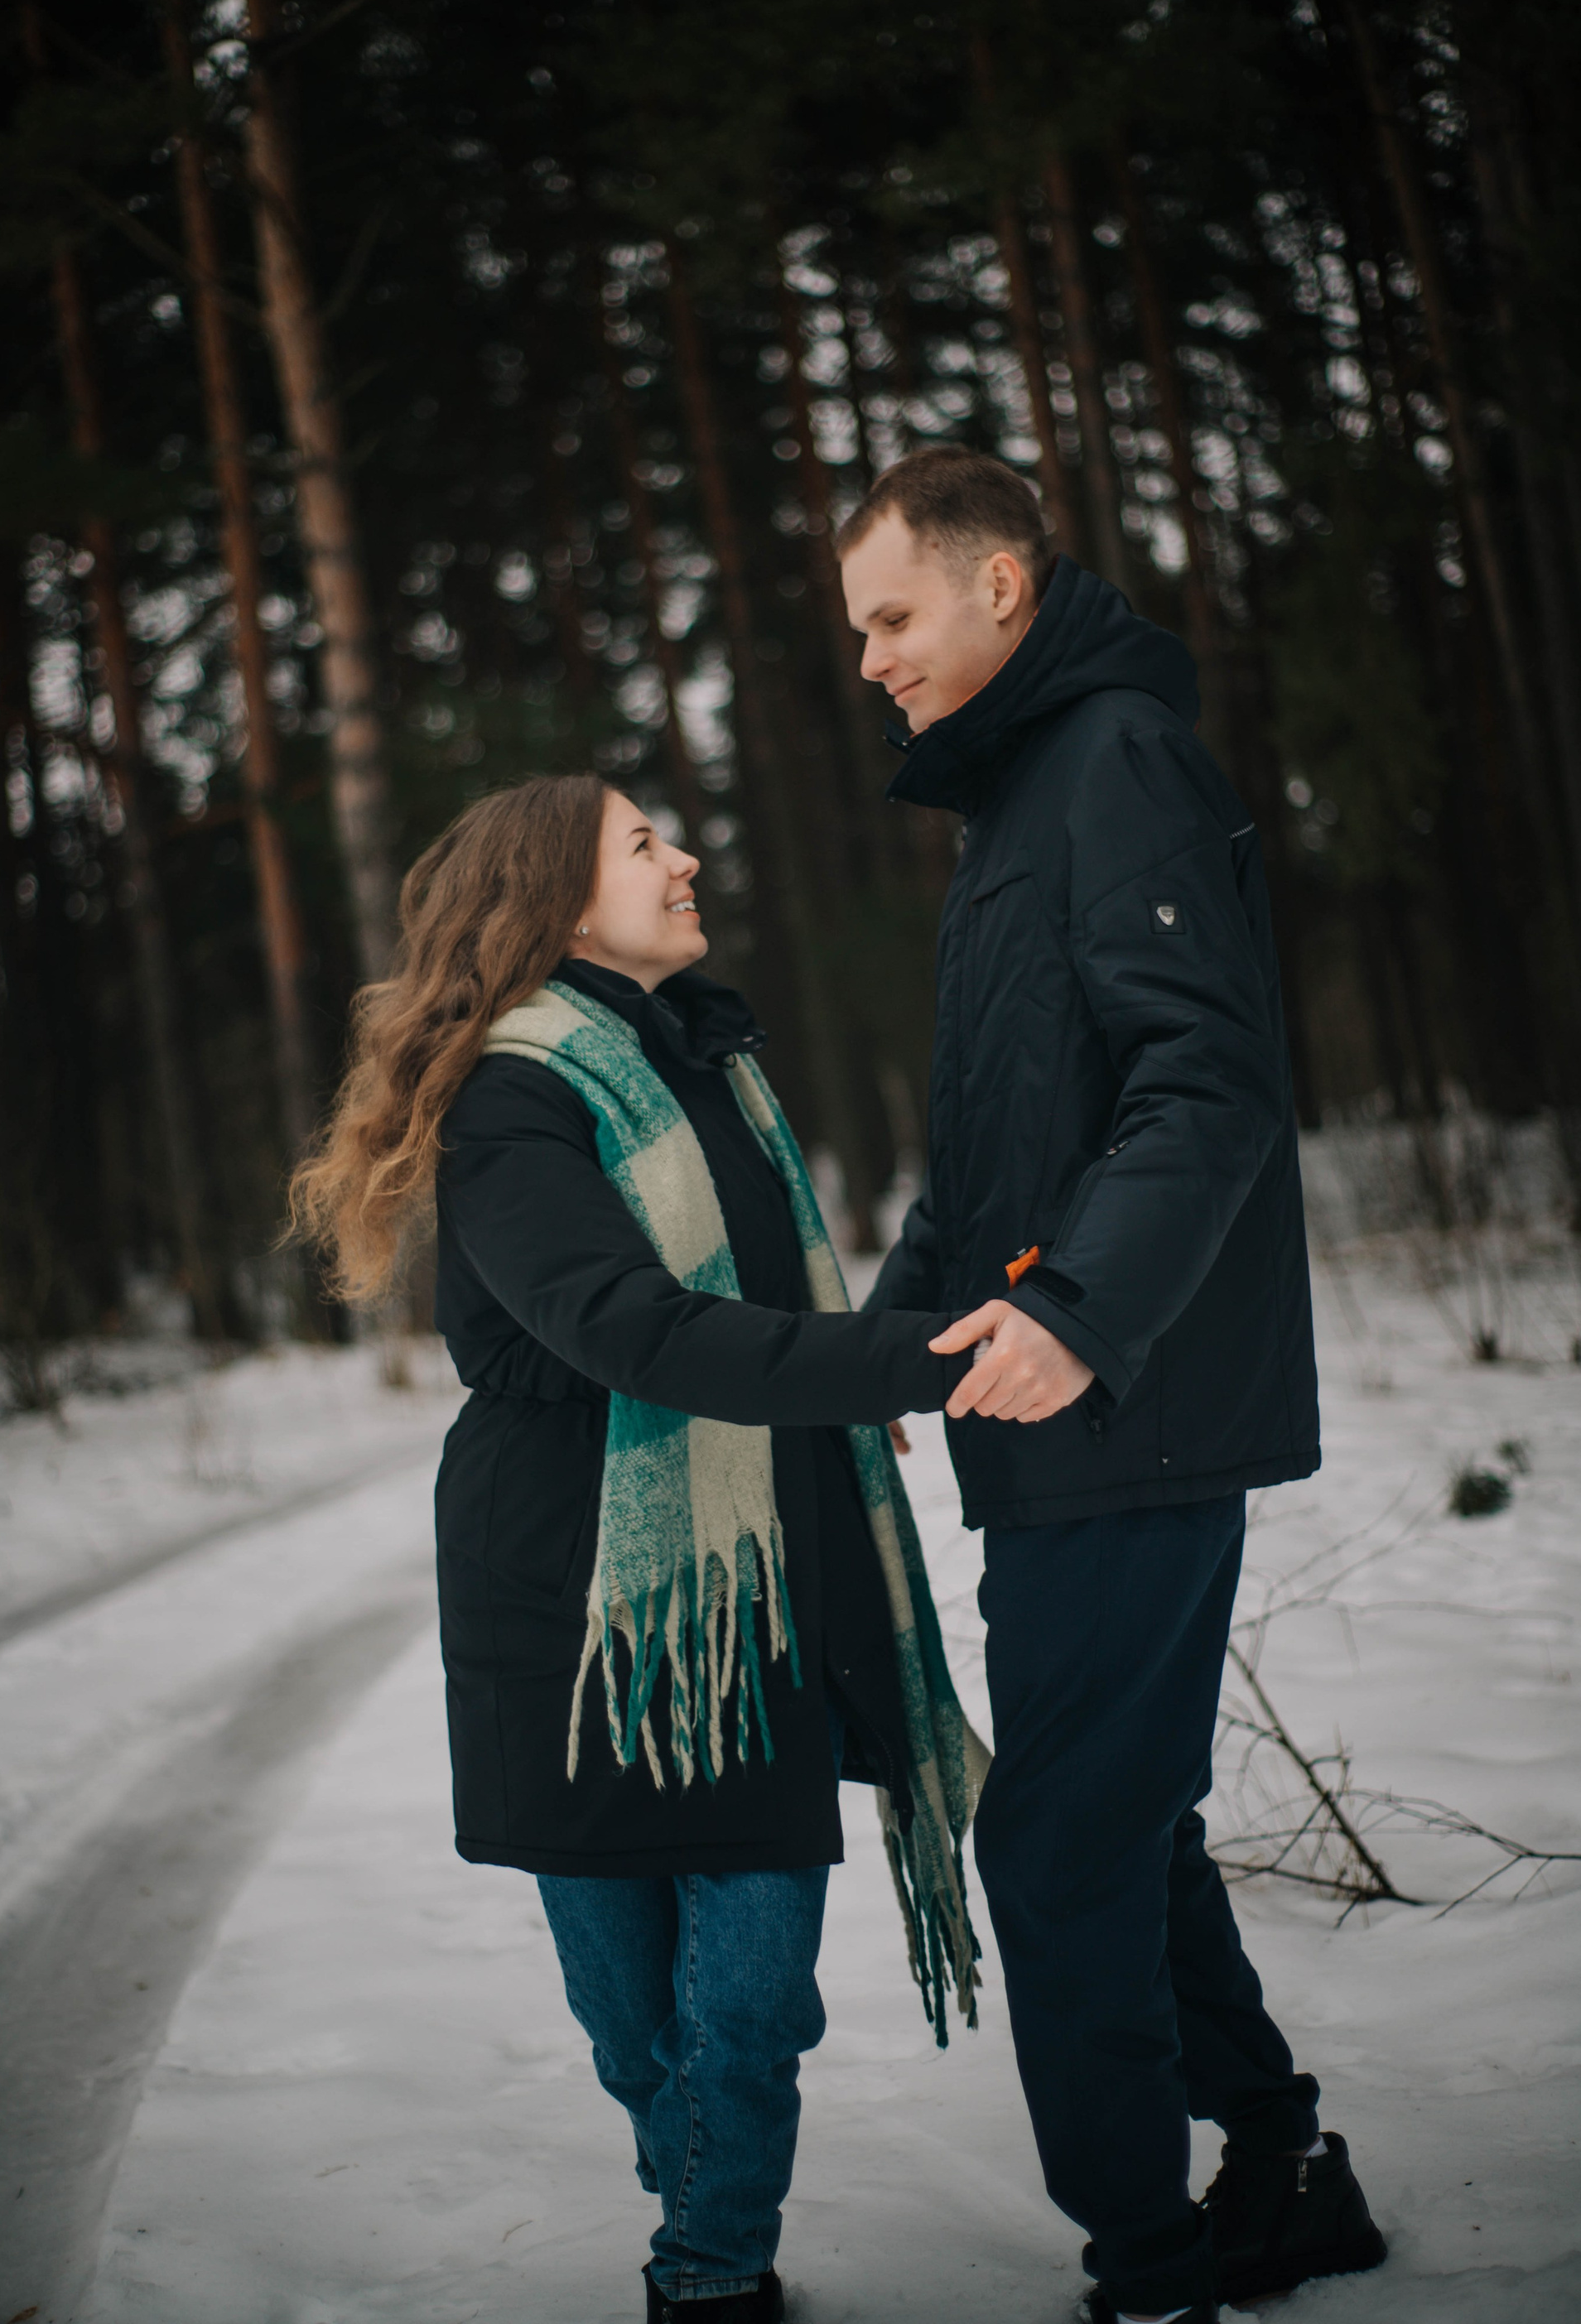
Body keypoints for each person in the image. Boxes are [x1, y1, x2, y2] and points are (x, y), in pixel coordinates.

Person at [290, 774, 986, 2323]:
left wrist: (853, 1372)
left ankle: (711, 2267)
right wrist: (907, 1363)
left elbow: (768, 1305)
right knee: (628, 2010)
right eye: (643, 844)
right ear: (554, 902)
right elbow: (632, 1330)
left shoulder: (712, 1066)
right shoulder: (512, 1098)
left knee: (753, 1995)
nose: (684, 860)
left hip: (750, 1569)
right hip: (568, 1584)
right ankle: (697, 2186)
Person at [840, 448, 1388, 2324]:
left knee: (1061, 1841)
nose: (870, 660)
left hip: (1125, 1405)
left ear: (1000, 584)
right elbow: (1008, 1143)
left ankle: (1150, 2268)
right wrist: (892, 1336)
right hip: (1067, 1403)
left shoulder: (1114, 765)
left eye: (892, 617)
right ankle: (1281, 2167)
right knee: (1119, 1820)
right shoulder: (1023, 799)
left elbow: (1206, 1083)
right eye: (856, 631)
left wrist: (1078, 1313)